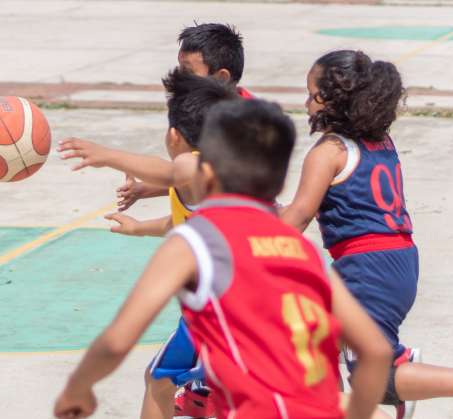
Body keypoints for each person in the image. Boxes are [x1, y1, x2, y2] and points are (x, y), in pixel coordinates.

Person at [53, 99, 394, 419]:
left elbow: (117, 341)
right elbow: (376, 352)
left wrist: (77, 388)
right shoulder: (304, 252)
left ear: (206, 173)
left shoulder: (197, 240)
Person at [280, 50, 453, 418]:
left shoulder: (329, 152)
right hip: (398, 260)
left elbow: (298, 216)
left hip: (367, 269)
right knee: (316, 333)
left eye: (312, 94)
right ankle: (344, 398)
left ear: (334, 100)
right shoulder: (380, 142)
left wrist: (245, 239)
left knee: (372, 378)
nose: (306, 102)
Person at [59, 69, 237, 418]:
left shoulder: (196, 166)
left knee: (159, 379)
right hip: (244, 303)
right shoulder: (225, 174)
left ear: (174, 136)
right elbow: (185, 225)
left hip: (222, 309)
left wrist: (106, 154)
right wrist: (139, 228)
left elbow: (173, 171)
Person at [117, 22, 252, 213]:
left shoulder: (247, 126)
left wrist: (104, 155)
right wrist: (145, 189)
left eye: (188, 71)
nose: (179, 78)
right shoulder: (200, 110)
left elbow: (200, 176)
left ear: (221, 78)